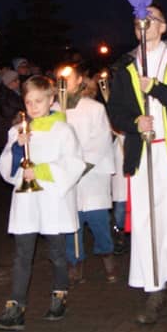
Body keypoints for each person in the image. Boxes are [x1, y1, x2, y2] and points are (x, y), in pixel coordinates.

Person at [106, 4, 167, 327]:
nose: (143, 26)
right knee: (148, 227)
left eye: (150, 21)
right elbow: (116, 111)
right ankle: (154, 290)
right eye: (138, 22)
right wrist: (135, 122)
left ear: (163, 27)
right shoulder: (125, 65)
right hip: (143, 155)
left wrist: (158, 89)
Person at [0, 76, 86, 330]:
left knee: (56, 253)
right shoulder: (18, 131)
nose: (33, 107)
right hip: (27, 201)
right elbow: (6, 167)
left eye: (38, 101)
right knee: (22, 255)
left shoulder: (62, 130)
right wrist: (17, 148)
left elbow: (74, 163)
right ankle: (16, 307)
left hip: (52, 200)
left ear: (51, 100)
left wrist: (42, 171)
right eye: (29, 102)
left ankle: (59, 294)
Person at [55, 64, 118, 285]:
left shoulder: (94, 108)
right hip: (68, 176)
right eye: (60, 78)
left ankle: (107, 256)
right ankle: (75, 262)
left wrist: (82, 166)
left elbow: (101, 139)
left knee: (98, 220)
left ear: (80, 80)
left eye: (68, 77)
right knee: (72, 222)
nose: (63, 81)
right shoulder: (54, 110)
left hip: (93, 175)